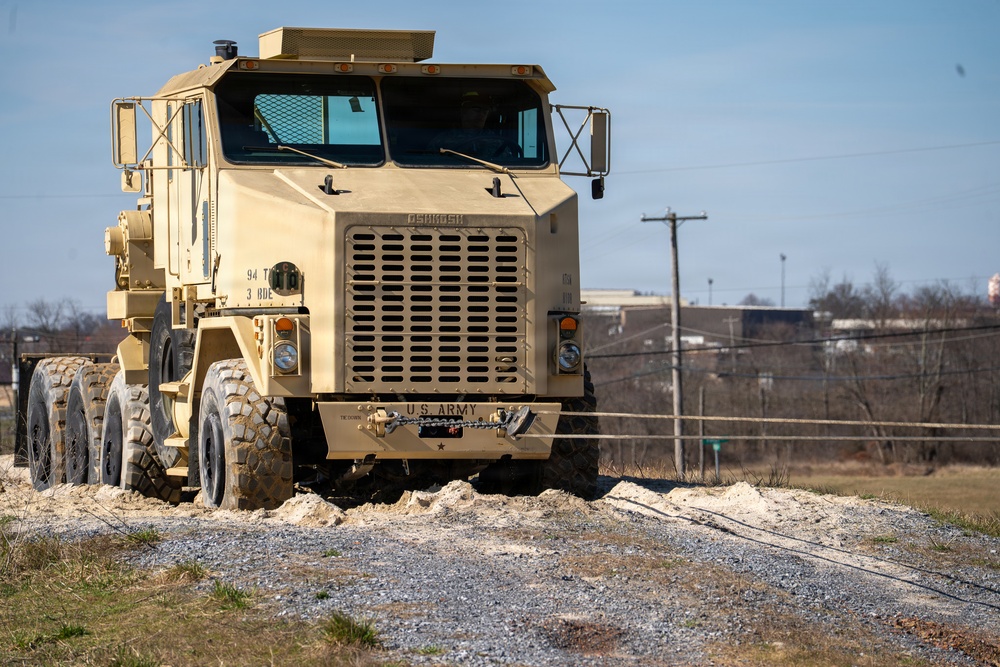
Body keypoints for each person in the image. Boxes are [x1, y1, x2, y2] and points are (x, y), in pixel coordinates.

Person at [432, 92, 517, 159]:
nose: (481, 115)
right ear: (464, 111)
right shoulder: (442, 141)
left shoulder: (497, 141)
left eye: (485, 111)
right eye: (477, 109)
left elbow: (508, 164)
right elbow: (430, 165)